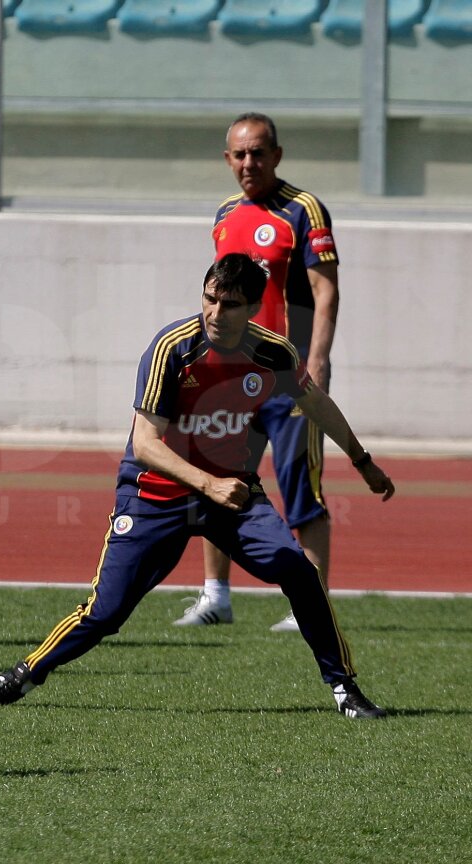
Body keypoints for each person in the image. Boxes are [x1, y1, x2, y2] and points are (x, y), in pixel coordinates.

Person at [0, 254, 394, 719]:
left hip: (231, 492)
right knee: (106, 612)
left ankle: (343, 689)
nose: (214, 312)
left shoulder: (274, 353)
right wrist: (209, 484)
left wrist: (362, 460)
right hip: (154, 495)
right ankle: (23, 675)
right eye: (209, 299)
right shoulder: (172, 348)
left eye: (229, 304)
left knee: (299, 572)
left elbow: (317, 403)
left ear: (252, 307)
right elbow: (145, 444)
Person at [178, 112, 341, 632]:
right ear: (228, 159)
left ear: (277, 155)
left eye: (259, 152)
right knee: (217, 484)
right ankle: (215, 597)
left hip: (288, 379)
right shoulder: (225, 214)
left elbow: (325, 291)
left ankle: (308, 601)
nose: (249, 163)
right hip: (230, 381)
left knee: (300, 488)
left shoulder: (303, 210)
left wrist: (316, 360)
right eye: (239, 154)